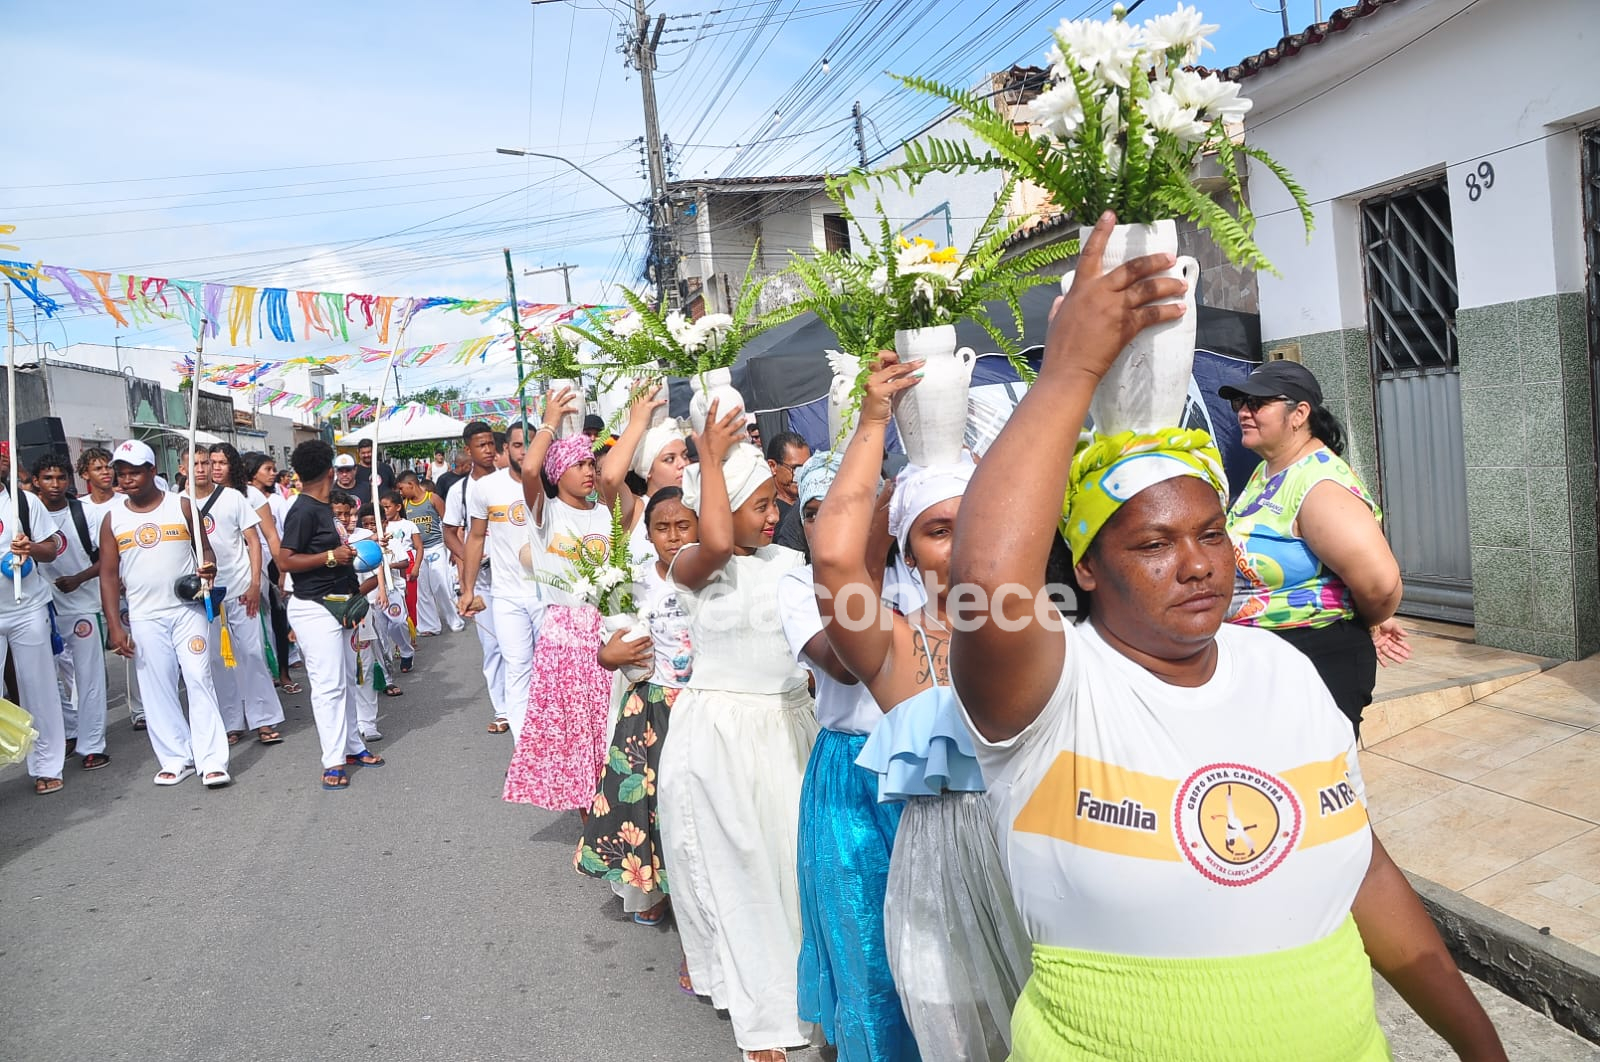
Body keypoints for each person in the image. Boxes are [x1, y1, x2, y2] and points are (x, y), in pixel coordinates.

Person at [947, 213, 1504, 1060]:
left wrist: (1483, 1049)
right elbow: (987, 585)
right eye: (1153, 544)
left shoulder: (1282, 668)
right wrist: (1070, 372)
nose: (1197, 563)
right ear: (1086, 568)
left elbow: (1362, 867)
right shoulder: (1052, 691)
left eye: (1211, 534)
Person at [815, 368, 1032, 1061]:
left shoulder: (1047, 626)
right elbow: (834, 558)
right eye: (939, 530)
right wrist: (874, 421)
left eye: (976, 520)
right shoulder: (892, 645)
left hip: (1041, 861)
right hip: (942, 879)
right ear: (907, 551)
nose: (963, 540)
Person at [658, 401, 817, 1061]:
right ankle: (764, 1018)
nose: (772, 515)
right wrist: (708, 453)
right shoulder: (692, 563)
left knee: (796, 874)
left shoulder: (789, 563)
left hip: (788, 729)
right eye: (760, 505)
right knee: (743, 877)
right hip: (721, 738)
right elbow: (720, 541)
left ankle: (814, 1000)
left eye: (773, 503)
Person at [778, 447, 923, 1061]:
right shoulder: (798, 585)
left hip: (924, 767)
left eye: (852, 508)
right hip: (851, 775)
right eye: (816, 512)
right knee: (863, 940)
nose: (830, 524)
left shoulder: (920, 571)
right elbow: (845, 661)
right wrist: (860, 557)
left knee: (931, 940)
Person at [1221, 360, 1407, 736]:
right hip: (1265, 659)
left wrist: (1364, 618)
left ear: (1299, 413)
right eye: (1240, 402)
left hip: (1313, 661)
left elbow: (1381, 585)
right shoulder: (1269, 470)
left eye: (1257, 403)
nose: (1243, 412)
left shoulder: (1319, 486)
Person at [576, 486, 698, 924]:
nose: (673, 536)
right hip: (650, 708)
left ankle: (697, 893)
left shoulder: (712, 578)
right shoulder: (631, 581)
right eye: (662, 527)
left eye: (683, 526)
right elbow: (608, 649)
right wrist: (610, 656)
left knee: (693, 803)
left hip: (702, 705)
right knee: (650, 805)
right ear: (647, 534)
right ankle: (655, 888)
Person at [503, 388, 614, 813]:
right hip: (566, 640)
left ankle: (611, 813)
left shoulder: (605, 512)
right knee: (578, 736)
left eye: (590, 464)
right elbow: (530, 468)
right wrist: (549, 420)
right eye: (578, 464)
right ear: (557, 471)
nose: (588, 472)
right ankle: (592, 824)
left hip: (607, 632)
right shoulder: (545, 513)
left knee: (608, 729)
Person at [100, 440, 232, 789]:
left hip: (187, 610)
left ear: (152, 471)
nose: (127, 479)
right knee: (157, 687)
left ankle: (212, 760)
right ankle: (176, 757)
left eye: (135, 472)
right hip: (144, 615)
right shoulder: (113, 518)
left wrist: (208, 568)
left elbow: (206, 553)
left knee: (198, 676)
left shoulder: (183, 505)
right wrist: (114, 626)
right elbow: (108, 575)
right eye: (122, 473)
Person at [277, 441, 385, 791]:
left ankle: (352, 746)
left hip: (343, 601)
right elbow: (285, 560)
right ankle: (333, 759)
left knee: (347, 679)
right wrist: (329, 557)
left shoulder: (325, 508)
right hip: (314, 606)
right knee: (328, 686)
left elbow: (335, 551)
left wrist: (358, 553)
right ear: (329, 472)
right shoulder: (303, 510)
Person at [457, 422, 544, 740]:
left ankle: (552, 739)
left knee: (549, 668)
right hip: (506, 594)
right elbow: (475, 537)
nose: (525, 452)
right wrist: (467, 589)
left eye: (531, 445)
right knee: (517, 667)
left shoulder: (552, 482)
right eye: (518, 445)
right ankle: (524, 745)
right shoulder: (486, 488)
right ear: (506, 449)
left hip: (548, 594)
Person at [34, 454, 113, 772]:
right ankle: (69, 730)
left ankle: (92, 744)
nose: (55, 484)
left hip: (83, 606)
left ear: (70, 480)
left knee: (89, 677)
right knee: (45, 678)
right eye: (47, 478)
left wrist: (79, 578)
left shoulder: (85, 513)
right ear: (36, 481)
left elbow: (108, 557)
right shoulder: (27, 511)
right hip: (42, 607)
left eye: (60, 478)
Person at [203, 443, 285, 747]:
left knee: (251, 652)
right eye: (210, 462)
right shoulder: (184, 500)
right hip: (207, 590)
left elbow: (265, 537)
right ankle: (231, 720)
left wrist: (275, 574)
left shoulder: (245, 495)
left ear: (233, 465)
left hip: (243, 582)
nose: (215, 468)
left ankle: (263, 717)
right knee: (219, 659)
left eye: (221, 462)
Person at [2, 454, 69, 794]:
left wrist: (31, 547)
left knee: (38, 688)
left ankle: (47, 765)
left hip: (27, 609)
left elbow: (52, 548)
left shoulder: (23, 502)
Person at [443, 422, 509, 733]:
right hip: (483, 581)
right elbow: (450, 532)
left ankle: (528, 706)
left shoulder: (510, 481)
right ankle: (503, 710)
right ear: (468, 451)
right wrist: (469, 559)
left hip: (515, 576)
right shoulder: (460, 491)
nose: (488, 450)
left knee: (523, 645)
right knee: (493, 646)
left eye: (491, 444)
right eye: (481, 445)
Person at [597, 385, 690, 561]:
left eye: (684, 455)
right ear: (648, 471)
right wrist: (637, 422)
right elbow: (610, 478)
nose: (682, 464)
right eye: (669, 459)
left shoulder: (697, 500)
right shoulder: (635, 509)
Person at [243, 452, 297, 695]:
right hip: (249, 562)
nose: (273, 473)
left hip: (274, 561)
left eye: (274, 469)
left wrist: (283, 569)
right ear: (252, 471)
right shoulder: (239, 496)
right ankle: (263, 671)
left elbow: (282, 533)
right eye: (268, 469)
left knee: (278, 617)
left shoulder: (276, 501)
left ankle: (283, 672)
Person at [397, 470, 461, 636]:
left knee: (441, 585)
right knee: (422, 589)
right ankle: (430, 626)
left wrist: (453, 550)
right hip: (417, 551)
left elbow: (449, 524)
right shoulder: (404, 505)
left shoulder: (432, 498)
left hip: (436, 547)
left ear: (411, 484)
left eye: (402, 488)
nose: (400, 492)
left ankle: (454, 620)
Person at [352, 439, 395, 512]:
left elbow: (394, 488)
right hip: (365, 511)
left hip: (386, 510)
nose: (366, 455)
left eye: (369, 452)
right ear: (358, 453)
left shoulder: (386, 468)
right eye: (363, 453)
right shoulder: (354, 471)